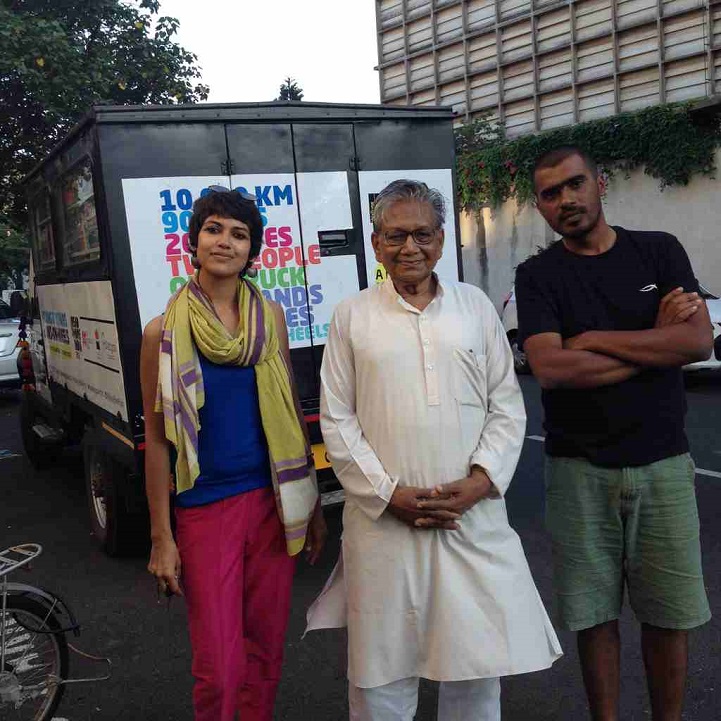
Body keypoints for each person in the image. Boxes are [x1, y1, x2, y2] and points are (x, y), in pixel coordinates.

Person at [306, 179, 562, 721]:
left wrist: (480, 483)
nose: (410, 247)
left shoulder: (475, 308)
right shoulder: (352, 316)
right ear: (376, 243)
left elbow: (506, 404)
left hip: (471, 520)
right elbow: (337, 419)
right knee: (381, 676)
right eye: (396, 235)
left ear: (442, 239)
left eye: (422, 234)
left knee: (474, 668)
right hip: (383, 527)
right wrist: (388, 495)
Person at [515, 146, 713, 721]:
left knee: (669, 617)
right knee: (594, 618)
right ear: (540, 206)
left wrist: (593, 340)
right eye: (550, 193)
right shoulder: (538, 276)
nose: (566, 200)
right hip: (578, 470)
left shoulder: (658, 251)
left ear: (599, 184)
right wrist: (654, 344)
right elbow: (553, 369)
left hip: (664, 464)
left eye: (575, 184)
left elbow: (697, 342)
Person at [140, 187, 327, 721]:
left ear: (252, 251)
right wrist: (162, 537)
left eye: (239, 234)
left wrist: (312, 507)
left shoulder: (270, 318)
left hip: (271, 503)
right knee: (219, 668)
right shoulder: (162, 332)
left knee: (265, 651)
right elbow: (157, 439)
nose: (225, 241)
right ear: (194, 242)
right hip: (204, 510)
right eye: (214, 229)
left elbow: (289, 411)